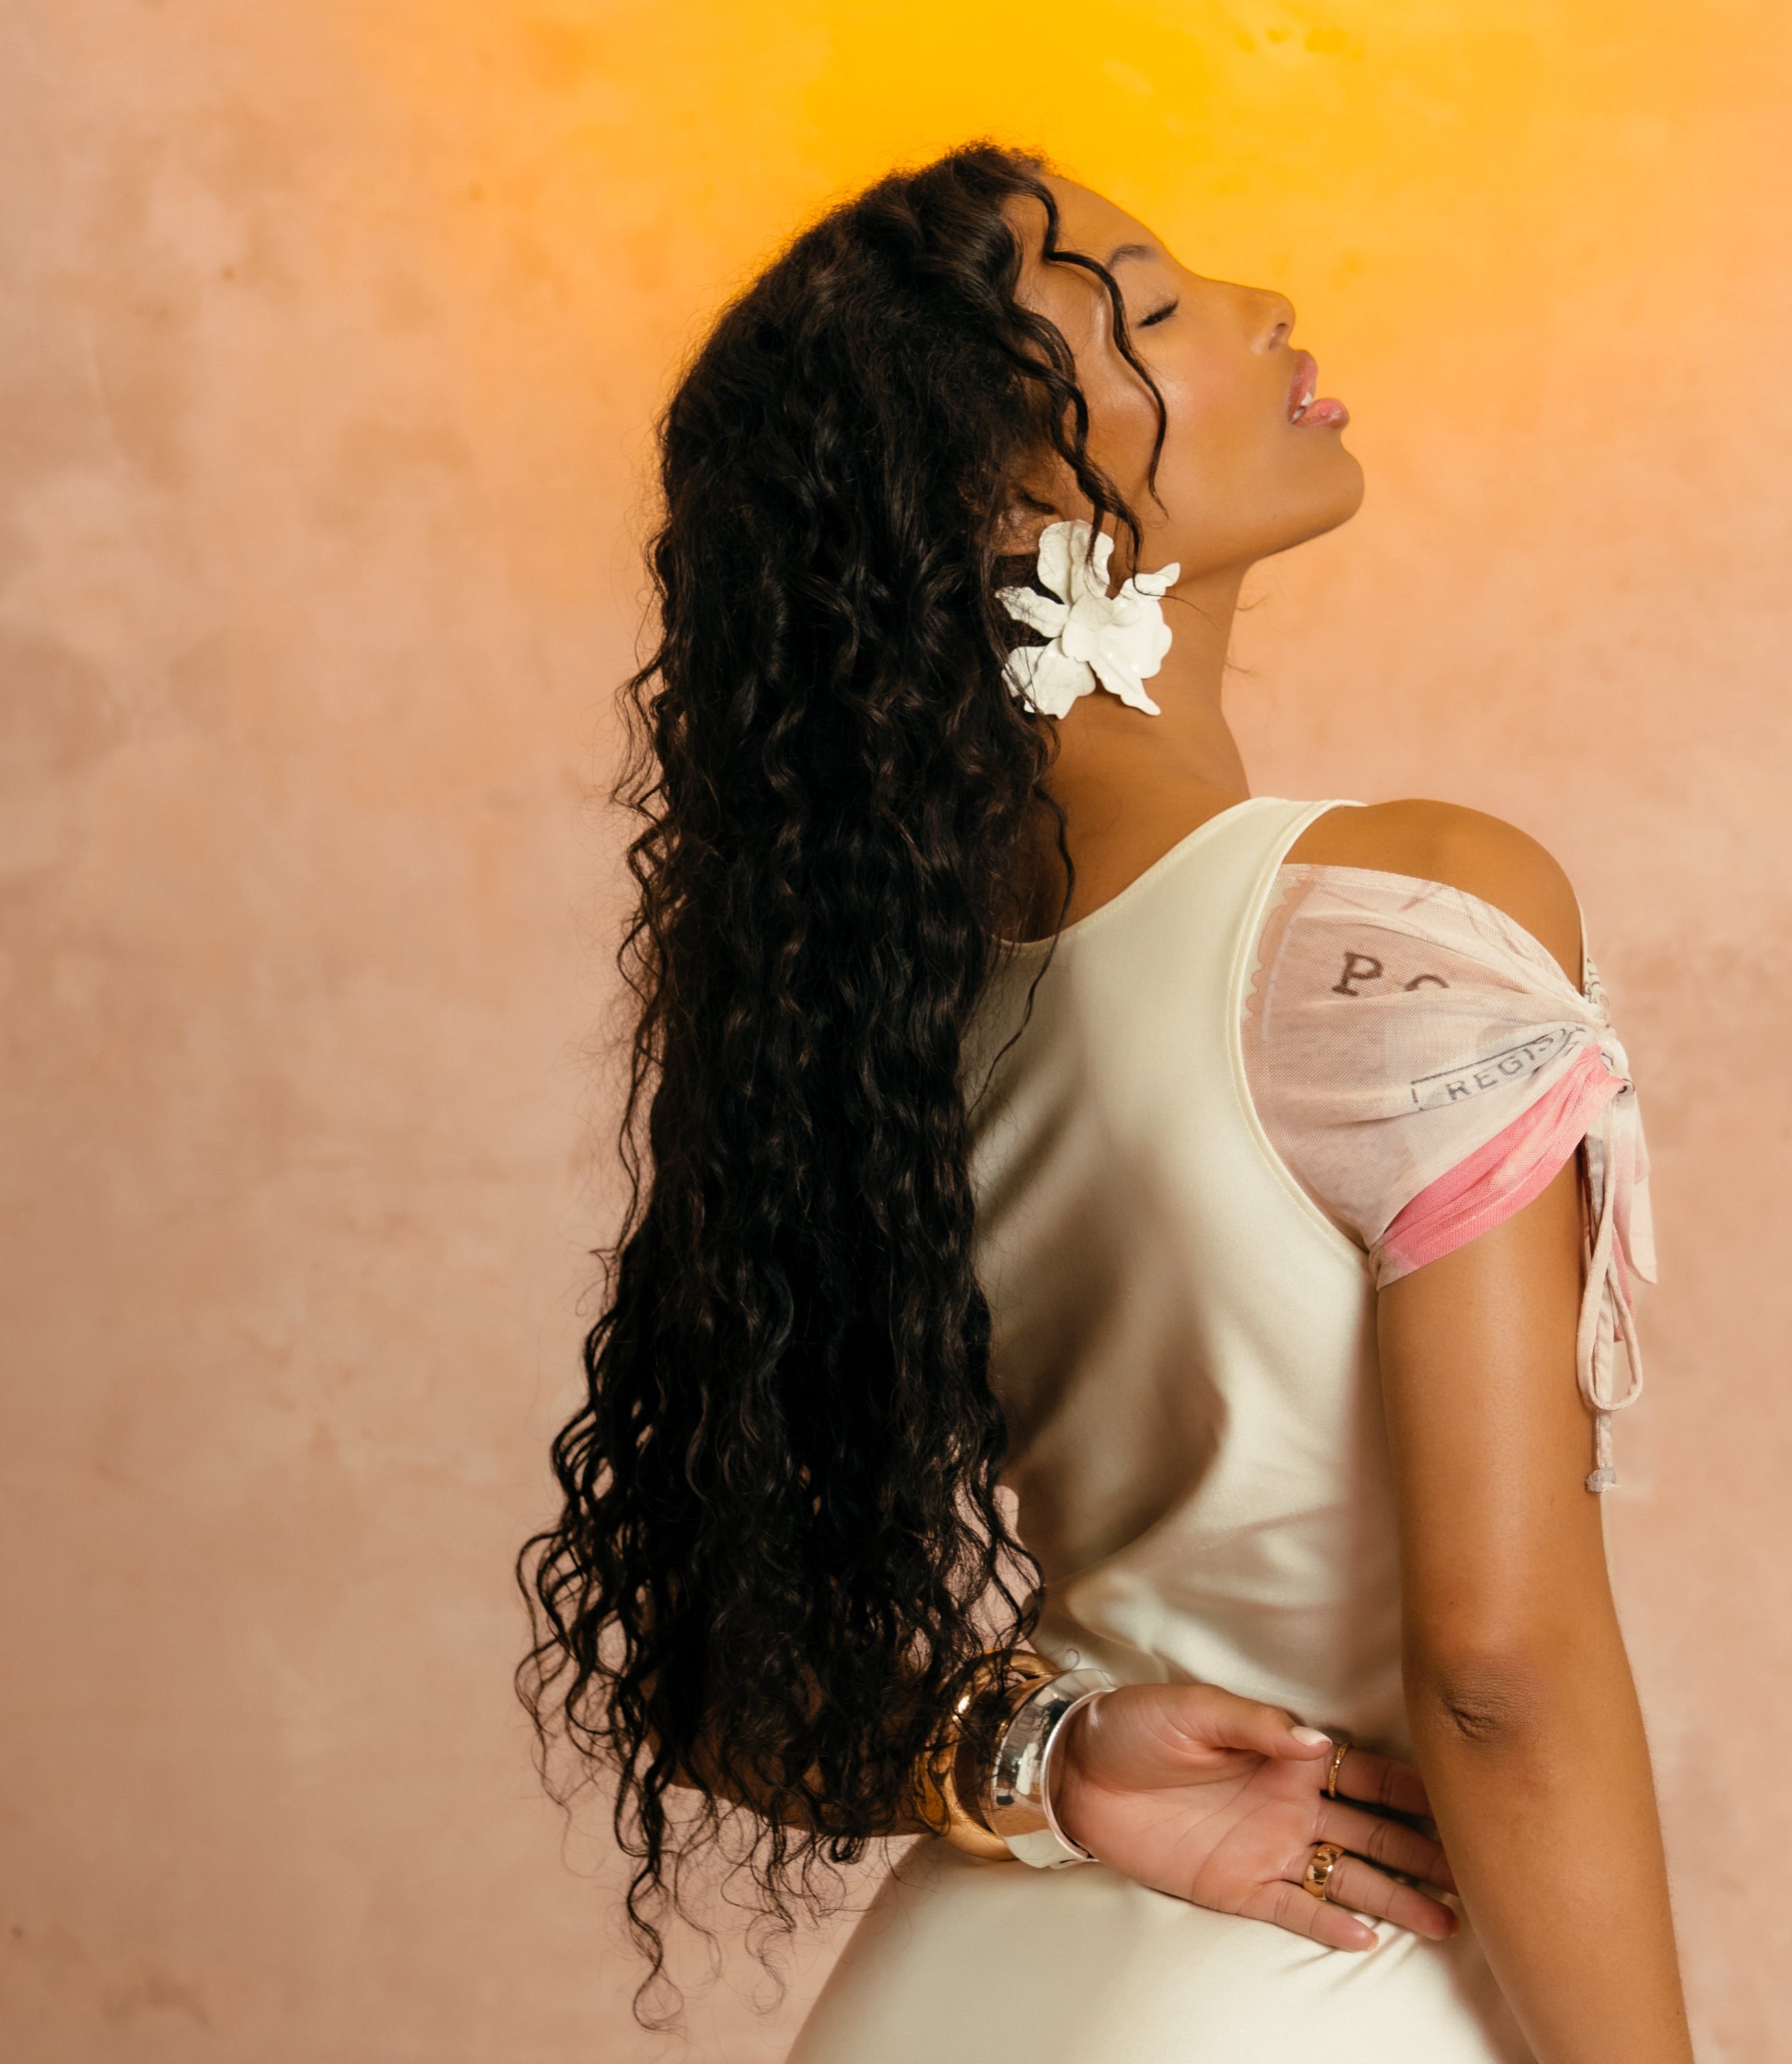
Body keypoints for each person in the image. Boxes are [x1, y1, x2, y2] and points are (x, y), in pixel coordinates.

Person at [519, 142, 1693, 2064]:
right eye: (1144, 314)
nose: (1257, 306)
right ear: (1011, 500)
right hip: (1325, 2001)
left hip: (960, 1991)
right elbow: (1495, 1672)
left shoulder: (881, 1033)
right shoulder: (1398, 916)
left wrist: (1053, 1762)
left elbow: (733, 1660)